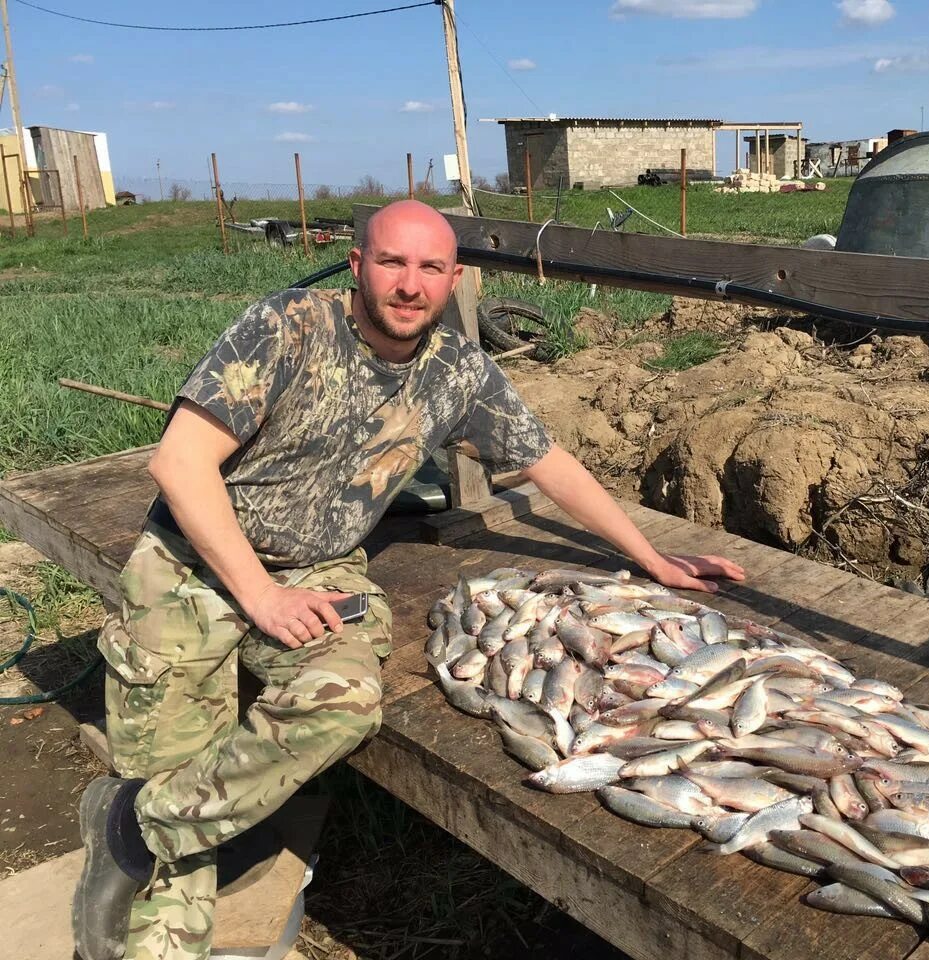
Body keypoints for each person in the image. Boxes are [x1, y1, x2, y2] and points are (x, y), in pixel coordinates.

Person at [73, 200, 745, 960]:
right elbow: (178, 462)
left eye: (430, 268)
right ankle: (156, 879)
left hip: (321, 570)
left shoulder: (457, 370)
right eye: (392, 262)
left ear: (453, 278)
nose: (409, 284)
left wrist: (652, 558)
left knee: (345, 704)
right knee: (176, 810)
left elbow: (546, 463)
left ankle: (136, 824)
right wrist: (259, 593)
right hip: (193, 564)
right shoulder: (289, 326)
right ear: (357, 264)